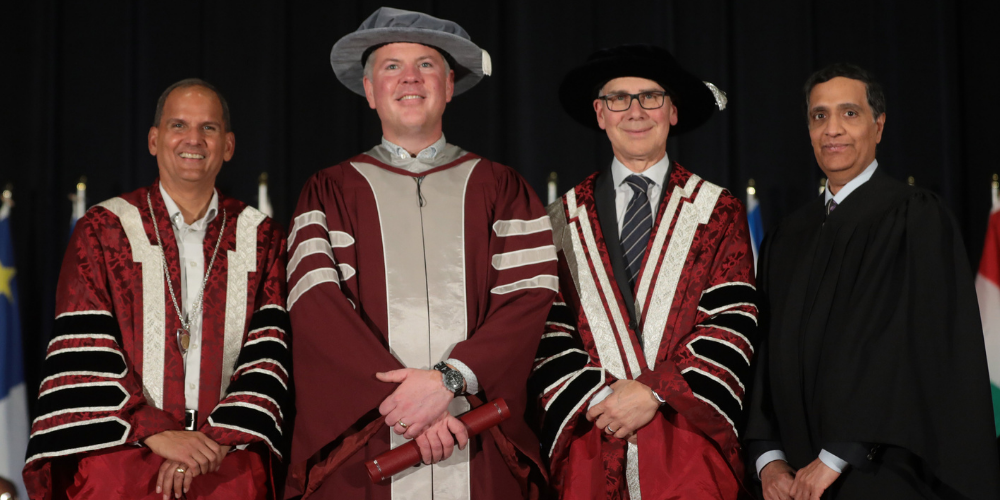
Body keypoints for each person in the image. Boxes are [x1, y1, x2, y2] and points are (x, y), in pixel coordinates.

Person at [284, 7, 556, 500]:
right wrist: (410, 403)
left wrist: (450, 383)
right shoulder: (329, 190)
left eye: (426, 65)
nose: (410, 78)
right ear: (368, 90)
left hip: (475, 430)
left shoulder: (503, 188)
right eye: (391, 66)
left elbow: (528, 302)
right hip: (369, 435)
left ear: (450, 85)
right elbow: (317, 308)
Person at [22, 79, 291, 500]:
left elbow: (268, 353)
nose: (193, 140)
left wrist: (213, 441)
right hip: (122, 449)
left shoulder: (263, 237)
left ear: (229, 145)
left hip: (224, 454)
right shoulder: (103, 229)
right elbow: (86, 349)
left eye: (209, 128)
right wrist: (155, 433)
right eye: (178, 125)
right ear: (154, 139)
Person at [745, 63, 1000, 500]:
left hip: (882, 471)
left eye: (850, 113)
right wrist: (768, 459)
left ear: (878, 126)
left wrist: (836, 456)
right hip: (789, 484)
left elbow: (913, 347)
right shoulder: (787, 236)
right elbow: (762, 350)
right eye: (819, 116)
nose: (832, 130)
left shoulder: (916, 216)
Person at [531, 44, 755, 499]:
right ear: (600, 113)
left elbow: (730, 324)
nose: (635, 111)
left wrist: (653, 393)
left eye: (651, 97)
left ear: (673, 111)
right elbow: (546, 330)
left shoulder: (718, 212)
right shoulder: (557, 219)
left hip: (686, 446)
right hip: (592, 439)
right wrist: (605, 403)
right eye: (619, 98)